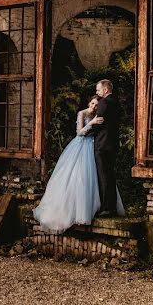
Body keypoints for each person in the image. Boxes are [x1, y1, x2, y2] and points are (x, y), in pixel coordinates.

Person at [33, 96, 124, 234]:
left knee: (94, 178)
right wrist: (91, 122)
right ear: (89, 103)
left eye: (96, 105)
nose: (94, 106)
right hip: (81, 146)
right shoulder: (82, 113)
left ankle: (97, 208)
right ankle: (74, 210)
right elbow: (79, 132)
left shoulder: (98, 115)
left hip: (94, 147)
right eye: (92, 103)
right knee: (78, 176)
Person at [90, 79, 121, 217]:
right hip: (112, 144)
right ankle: (112, 207)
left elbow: (98, 123)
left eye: (98, 90)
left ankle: (106, 208)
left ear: (105, 90)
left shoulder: (104, 102)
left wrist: (91, 124)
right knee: (111, 175)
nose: (97, 92)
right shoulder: (117, 103)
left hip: (102, 144)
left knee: (103, 176)